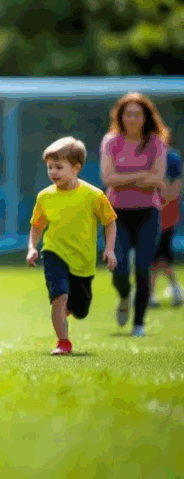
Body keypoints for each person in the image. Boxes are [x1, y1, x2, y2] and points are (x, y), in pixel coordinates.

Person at [27, 137, 118, 355]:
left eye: (59, 167)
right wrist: (32, 247)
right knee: (59, 296)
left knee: (80, 310)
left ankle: (68, 310)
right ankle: (63, 342)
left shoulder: (93, 195)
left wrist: (109, 248)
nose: (53, 172)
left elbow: (109, 222)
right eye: (50, 167)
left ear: (76, 168)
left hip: (83, 261)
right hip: (53, 252)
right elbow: (37, 225)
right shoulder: (45, 196)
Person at [100, 92, 169, 336]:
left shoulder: (157, 143)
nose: (132, 118)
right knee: (117, 268)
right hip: (116, 214)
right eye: (128, 113)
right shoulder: (111, 141)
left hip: (148, 213)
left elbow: (158, 179)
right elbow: (108, 178)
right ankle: (123, 296)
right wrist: (141, 176)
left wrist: (125, 178)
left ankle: (138, 323)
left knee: (142, 267)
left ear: (145, 117)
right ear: (120, 116)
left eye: (137, 114)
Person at [150, 147, 181, 307]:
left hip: (165, 217)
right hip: (148, 216)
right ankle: (171, 290)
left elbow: (175, 189)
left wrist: (164, 198)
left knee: (161, 256)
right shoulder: (140, 154)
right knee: (155, 257)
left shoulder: (171, 157)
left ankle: (153, 293)